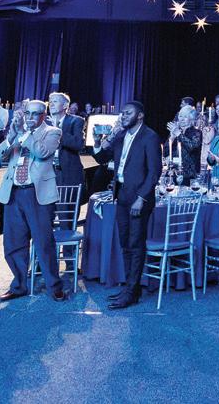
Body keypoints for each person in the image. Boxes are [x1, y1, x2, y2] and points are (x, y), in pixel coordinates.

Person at [0, 100, 67, 303]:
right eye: (28, 113)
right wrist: (11, 135)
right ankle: (18, 286)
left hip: (37, 195)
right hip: (14, 193)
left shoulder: (52, 132)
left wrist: (24, 134)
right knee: (14, 243)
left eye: (35, 114)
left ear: (43, 115)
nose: (31, 117)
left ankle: (54, 286)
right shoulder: (18, 132)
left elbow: (42, 152)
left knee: (44, 242)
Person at [93, 101, 161, 309]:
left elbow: (154, 172)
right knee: (125, 243)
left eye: (128, 113)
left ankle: (131, 292)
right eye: (122, 113)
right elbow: (101, 158)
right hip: (121, 195)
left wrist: (142, 198)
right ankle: (130, 288)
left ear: (139, 116)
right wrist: (98, 141)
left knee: (135, 244)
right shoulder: (121, 135)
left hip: (138, 198)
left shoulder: (149, 136)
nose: (123, 116)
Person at [47, 92, 85, 189]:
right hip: (47, 174)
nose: (51, 104)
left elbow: (78, 144)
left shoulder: (76, 121)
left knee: (66, 199)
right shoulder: (45, 123)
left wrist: (56, 129)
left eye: (55, 101)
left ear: (65, 105)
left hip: (67, 174)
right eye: (50, 102)